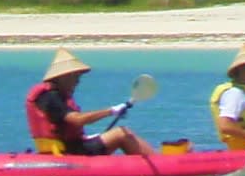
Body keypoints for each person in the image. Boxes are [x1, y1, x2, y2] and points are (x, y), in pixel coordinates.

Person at [25, 48, 154, 159]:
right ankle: (159, 162)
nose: (77, 82)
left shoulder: (50, 96)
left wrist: (91, 137)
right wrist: (111, 110)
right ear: (64, 76)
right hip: (71, 152)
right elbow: (77, 120)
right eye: (75, 77)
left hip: (65, 148)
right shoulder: (51, 97)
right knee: (122, 133)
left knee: (113, 134)